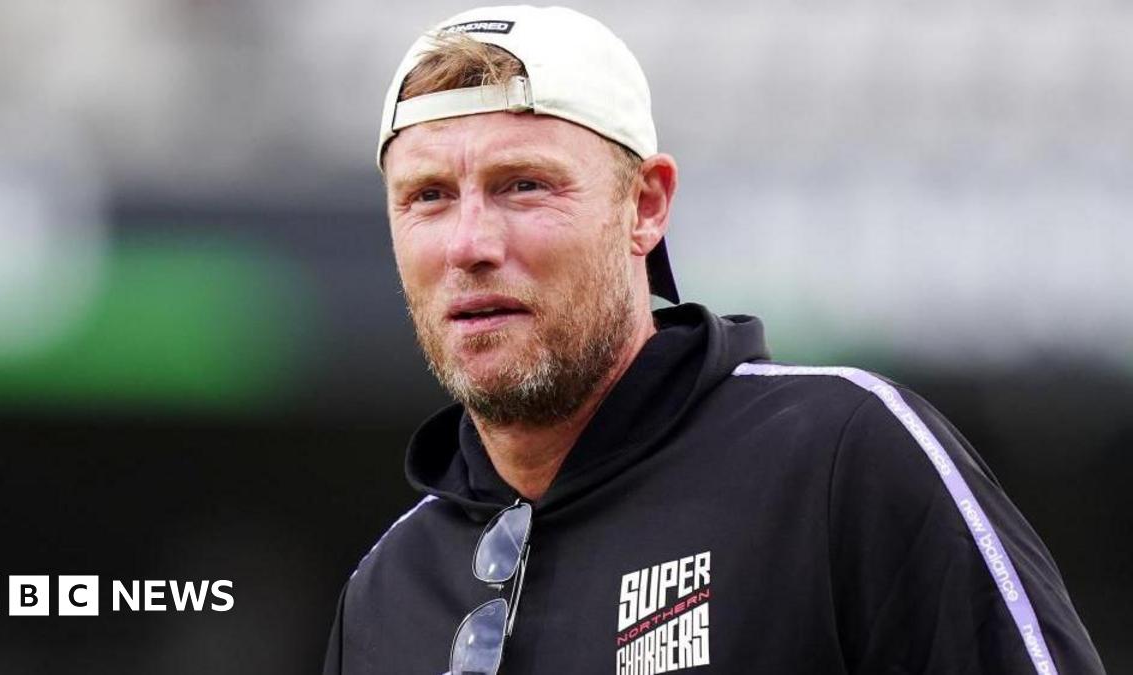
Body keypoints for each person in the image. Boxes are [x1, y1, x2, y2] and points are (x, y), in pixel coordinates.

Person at [323, 6, 1105, 674]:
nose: (470, 244)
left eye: (523, 185)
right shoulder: (386, 591)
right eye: (427, 197)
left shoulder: (842, 455)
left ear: (647, 206)